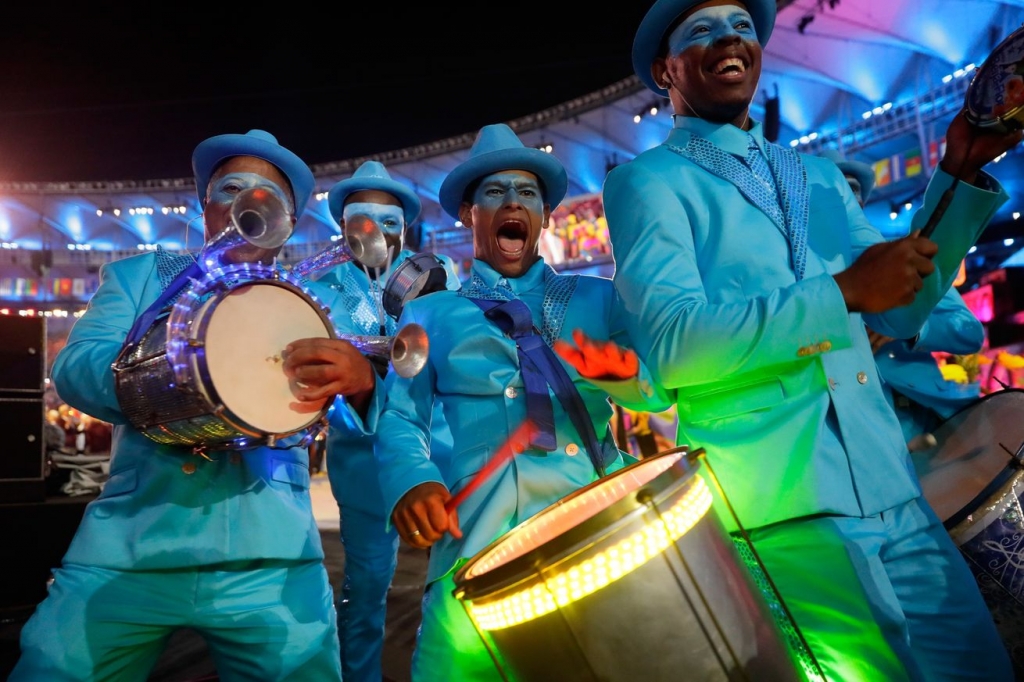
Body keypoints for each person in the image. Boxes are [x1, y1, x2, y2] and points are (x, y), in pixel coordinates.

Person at [597, 1, 1023, 679]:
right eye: (701, 32)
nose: (729, 40)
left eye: (740, 27)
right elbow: (675, 344)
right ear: (664, 69)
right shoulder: (646, 183)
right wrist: (842, 292)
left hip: (892, 485)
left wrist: (959, 172)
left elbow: (902, 312)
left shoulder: (817, 175)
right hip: (783, 507)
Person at [10, 129, 381, 682]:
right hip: (133, 547)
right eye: (232, 188)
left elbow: (362, 415)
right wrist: (175, 379)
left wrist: (364, 382)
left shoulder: (310, 300)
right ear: (205, 204)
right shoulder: (139, 275)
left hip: (271, 555)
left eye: (265, 195)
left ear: (287, 220)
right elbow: (75, 366)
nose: (246, 203)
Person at [374, 123, 672, 681]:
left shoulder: (600, 298)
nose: (513, 201)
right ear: (470, 214)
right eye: (495, 192)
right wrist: (413, 481)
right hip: (475, 551)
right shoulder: (429, 316)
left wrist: (624, 373)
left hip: (595, 537)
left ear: (544, 217)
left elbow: (656, 390)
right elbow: (399, 417)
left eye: (528, 193)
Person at [315, 159, 459, 682]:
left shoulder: (439, 274)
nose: (375, 231)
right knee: (366, 590)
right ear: (344, 225)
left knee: (453, 583)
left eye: (389, 219)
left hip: (440, 456)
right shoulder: (320, 289)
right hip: (362, 463)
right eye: (362, 218)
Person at [820, 149, 985, 450]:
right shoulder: (805, 280)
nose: (846, 198)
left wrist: (909, 330)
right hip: (860, 440)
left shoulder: (900, 256)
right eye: (833, 190)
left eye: (852, 189)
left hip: (935, 421)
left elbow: (969, 332)